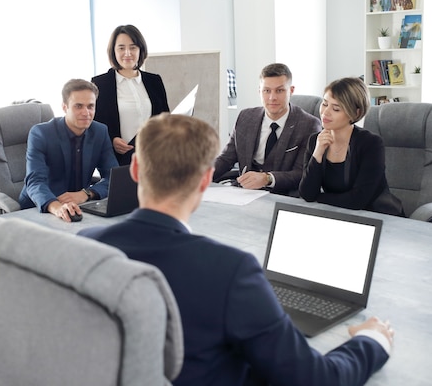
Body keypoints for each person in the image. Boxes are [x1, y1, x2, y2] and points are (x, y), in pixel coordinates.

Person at [79, 113, 394, 386]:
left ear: (134, 169)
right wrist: (372, 339)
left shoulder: (86, 248)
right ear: (206, 179)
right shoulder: (230, 270)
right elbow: (315, 379)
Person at [299, 77, 404, 216]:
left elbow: (358, 200)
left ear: (356, 113)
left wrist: (319, 198)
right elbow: (307, 194)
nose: (325, 112)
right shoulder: (315, 141)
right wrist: (318, 153)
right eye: (325, 104)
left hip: (376, 217)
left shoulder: (370, 144)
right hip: (338, 215)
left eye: (336, 108)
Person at [213, 63, 321, 196]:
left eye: (279, 90)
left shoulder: (309, 125)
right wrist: (198, 177)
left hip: (282, 195)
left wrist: (267, 178)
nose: (272, 97)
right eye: (267, 90)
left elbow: (302, 173)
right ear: (260, 91)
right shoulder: (245, 117)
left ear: (291, 90)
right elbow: (226, 159)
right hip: (244, 193)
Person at [18, 79, 118, 222]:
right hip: (39, 208)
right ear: (65, 107)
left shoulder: (100, 131)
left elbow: (113, 177)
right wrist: (57, 207)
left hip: (79, 207)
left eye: (91, 106)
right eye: (78, 106)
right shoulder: (41, 133)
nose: (86, 112)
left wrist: (87, 194)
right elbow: (35, 182)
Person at [92, 24, 170, 166]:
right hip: (119, 161)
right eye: (121, 48)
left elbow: (165, 118)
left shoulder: (154, 81)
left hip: (154, 158)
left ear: (141, 50)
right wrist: (112, 140)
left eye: (133, 47)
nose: (127, 53)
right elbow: (94, 124)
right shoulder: (100, 84)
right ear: (113, 51)